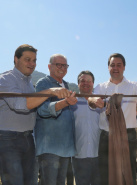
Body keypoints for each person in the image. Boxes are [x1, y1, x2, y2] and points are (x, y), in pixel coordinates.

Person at [0, 44, 72, 185]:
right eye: (28, 59)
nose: (32, 64)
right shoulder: (5, 79)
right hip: (8, 140)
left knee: (30, 181)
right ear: (16, 59)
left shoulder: (29, 83)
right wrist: (50, 91)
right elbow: (21, 105)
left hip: (28, 138)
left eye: (34, 60)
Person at [88, 53, 137, 185]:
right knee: (105, 173)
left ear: (124, 67)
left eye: (119, 65)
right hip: (106, 135)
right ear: (108, 67)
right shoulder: (101, 87)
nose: (115, 68)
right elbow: (90, 99)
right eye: (112, 65)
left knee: (129, 172)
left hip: (127, 135)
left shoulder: (133, 86)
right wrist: (93, 100)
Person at [34, 54, 77, 185]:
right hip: (50, 146)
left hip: (65, 146)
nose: (62, 68)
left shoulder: (66, 85)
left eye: (65, 65)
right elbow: (42, 110)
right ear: (49, 66)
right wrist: (65, 103)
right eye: (58, 64)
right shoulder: (43, 83)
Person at [71, 70, 101, 185]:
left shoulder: (100, 102)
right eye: (82, 81)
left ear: (93, 83)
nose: (86, 83)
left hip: (98, 154)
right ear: (78, 84)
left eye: (89, 81)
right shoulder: (71, 102)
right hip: (79, 155)